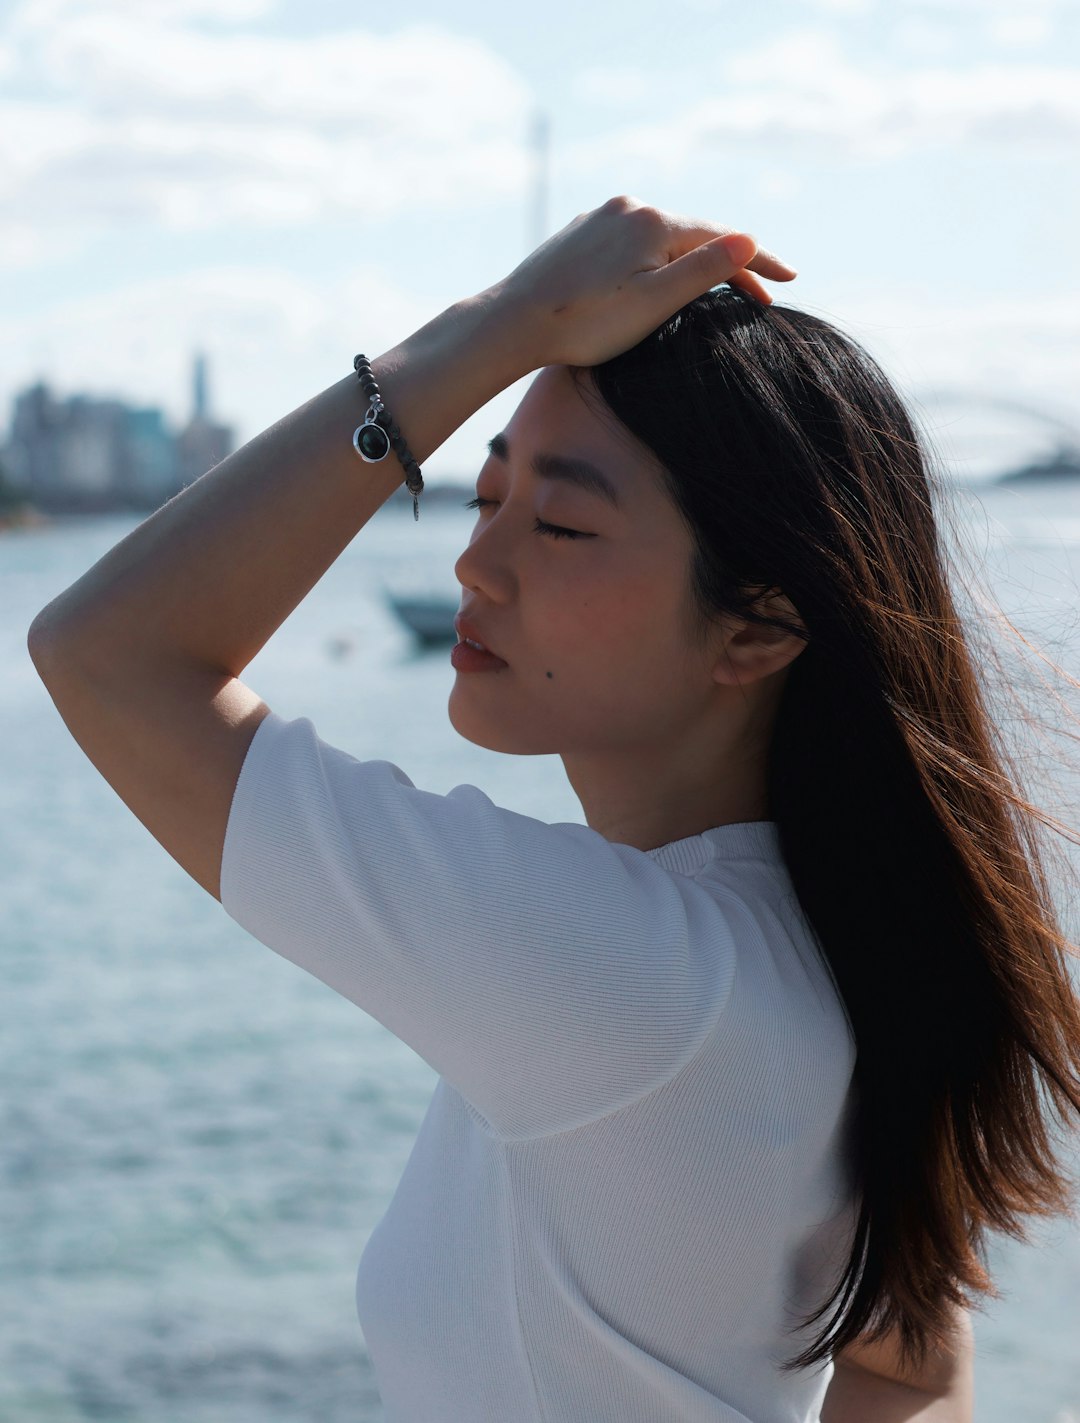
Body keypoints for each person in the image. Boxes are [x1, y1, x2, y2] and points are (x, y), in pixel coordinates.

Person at [27, 196, 1080, 1423]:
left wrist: (497, 327)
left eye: (563, 520)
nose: (478, 565)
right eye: (483, 498)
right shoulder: (838, 939)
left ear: (762, 622)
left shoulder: (634, 977)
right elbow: (908, 1368)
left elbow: (108, 653)